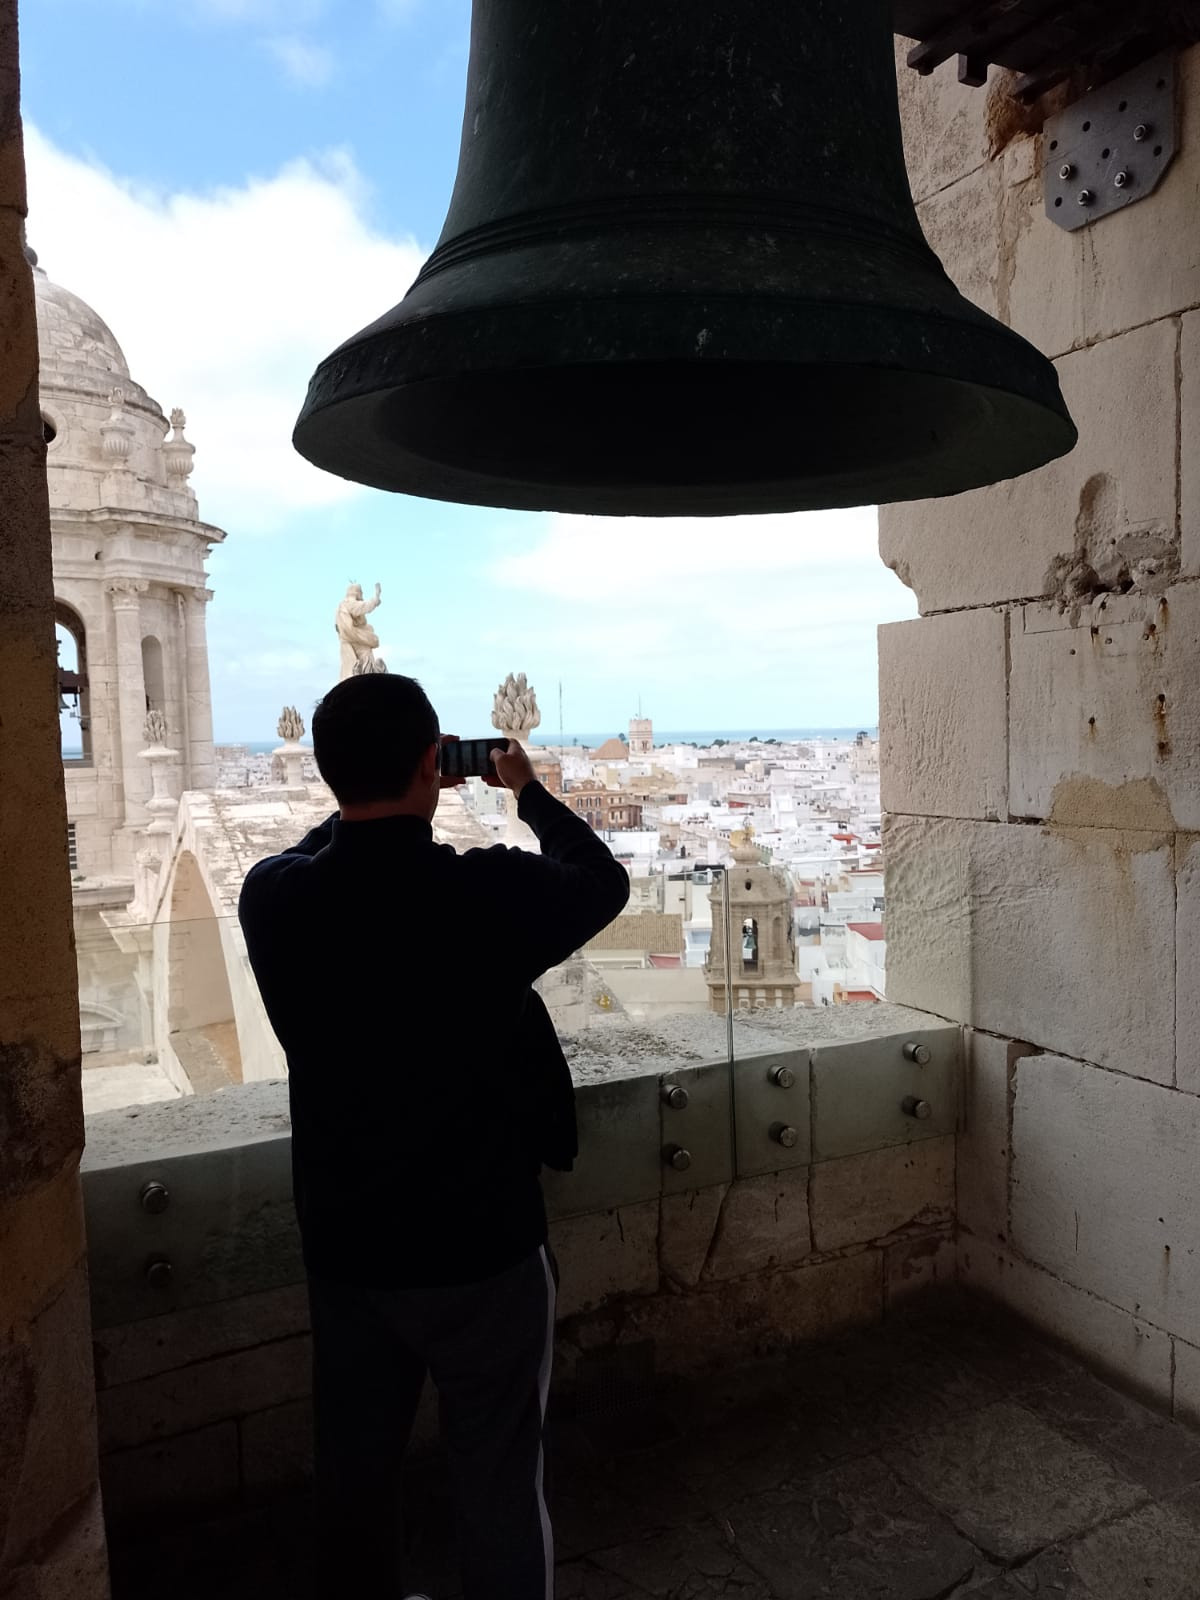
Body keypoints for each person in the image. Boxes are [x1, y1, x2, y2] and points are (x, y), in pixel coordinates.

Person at [237, 672, 630, 1600]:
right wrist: (523, 791)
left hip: (348, 1243)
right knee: (498, 1476)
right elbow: (601, 881)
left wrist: (370, 800)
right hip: (481, 1242)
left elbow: (316, 852)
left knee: (357, 1475)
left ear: (330, 777)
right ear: (433, 764)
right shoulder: (482, 894)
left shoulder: (274, 900)